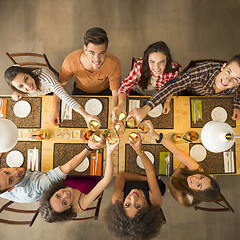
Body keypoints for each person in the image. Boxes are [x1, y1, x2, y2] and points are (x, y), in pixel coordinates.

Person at [127, 54, 240, 123]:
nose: (227, 80)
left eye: (236, 79)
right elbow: (172, 85)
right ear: (223, 67)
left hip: (207, 101)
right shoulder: (202, 73)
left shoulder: (236, 86)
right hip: (186, 92)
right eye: (228, 72)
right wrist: (145, 109)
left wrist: (236, 106)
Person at [0, 136, 104, 203]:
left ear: (2, 168)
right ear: (10, 189)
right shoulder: (37, 187)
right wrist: (90, 148)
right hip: (55, 186)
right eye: (11, 180)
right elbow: (66, 169)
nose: (15, 172)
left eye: (7, 172)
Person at [51, 27, 122, 125]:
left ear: (106, 49)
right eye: (92, 53)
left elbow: (115, 92)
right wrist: (55, 109)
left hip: (105, 91)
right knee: (77, 123)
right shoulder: (70, 61)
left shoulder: (114, 63)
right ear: (85, 49)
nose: (97, 60)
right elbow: (60, 86)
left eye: (101, 53)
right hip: (80, 90)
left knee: (106, 123)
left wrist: (115, 117)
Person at [39, 137, 119, 222]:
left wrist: (89, 147)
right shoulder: (81, 205)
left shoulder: (54, 186)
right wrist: (109, 152)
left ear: (53, 193)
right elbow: (106, 179)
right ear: (68, 208)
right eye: (65, 203)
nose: (65, 195)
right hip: (95, 174)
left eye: (58, 196)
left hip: (79, 168)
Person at [144, 120, 222, 207]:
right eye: (201, 177)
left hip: (173, 180)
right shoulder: (199, 170)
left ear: (197, 194)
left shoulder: (184, 199)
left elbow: (171, 184)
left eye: (198, 185)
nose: (195, 178)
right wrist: (155, 135)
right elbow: (176, 151)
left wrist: (180, 168)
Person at [104, 134, 165, 240]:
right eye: (137, 206)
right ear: (146, 208)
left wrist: (148, 180)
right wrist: (139, 151)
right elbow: (150, 171)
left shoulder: (117, 200)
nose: (133, 198)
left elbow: (122, 175)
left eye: (127, 204)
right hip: (148, 173)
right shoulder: (156, 202)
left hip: (139, 175)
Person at [4, 65, 99, 129]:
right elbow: (16, 66)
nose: (28, 86)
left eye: (26, 78)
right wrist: (16, 93)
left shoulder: (45, 79)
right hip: (43, 96)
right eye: (21, 86)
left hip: (51, 90)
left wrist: (86, 115)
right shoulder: (20, 89)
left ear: (28, 73)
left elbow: (65, 97)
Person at [113, 41, 181, 121]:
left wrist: (167, 101)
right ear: (147, 60)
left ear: (167, 60)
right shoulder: (139, 65)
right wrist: (121, 104)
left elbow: (172, 87)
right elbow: (125, 86)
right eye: (152, 62)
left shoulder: (174, 69)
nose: (156, 67)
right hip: (139, 92)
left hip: (160, 95)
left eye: (161, 62)